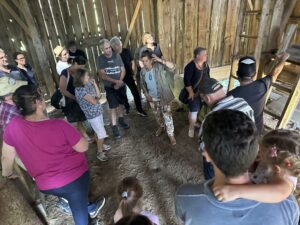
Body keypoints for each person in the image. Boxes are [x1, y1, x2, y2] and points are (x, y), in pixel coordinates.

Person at [1, 85, 105, 225]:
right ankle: (86, 212)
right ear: (37, 103)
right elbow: (83, 147)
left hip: (46, 185)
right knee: (78, 209)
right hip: (74, 179)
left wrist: (7, 173)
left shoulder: (12, 126)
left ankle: (81, 205)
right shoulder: (60, 125)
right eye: (41, 96)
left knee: (75, 198)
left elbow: (7, 157)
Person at [175, 109, 299, 225]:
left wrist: (236, 191)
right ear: (256, 152)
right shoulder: (290, 206)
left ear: (206, 155)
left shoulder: (186, 196)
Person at [213, 129, 300, 203]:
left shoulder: (286, 185)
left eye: (261, 154)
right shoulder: (274, 165)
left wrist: (236, 191)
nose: (258, 155)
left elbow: (279, 193)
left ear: (275, 168)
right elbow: (257, 168)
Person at [198, 77, 254, 180]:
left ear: (207, 98)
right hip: (244, 154)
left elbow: (203, 146)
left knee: (208, 165)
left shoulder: (210, 118)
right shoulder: (243, 103)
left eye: (202, 98)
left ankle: (211, 183)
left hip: (221, 160)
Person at [227, 52, 289, 134]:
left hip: (240, 136)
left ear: (237, 74)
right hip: (257, 131)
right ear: (255, 74)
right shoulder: (262, 86)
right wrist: (283, 59)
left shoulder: (230, 95)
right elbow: (274, 73)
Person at [140, 50, 176, 145]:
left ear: (151, 60)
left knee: (167, 116)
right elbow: (142, 84)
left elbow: (172, 67)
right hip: (153, 99)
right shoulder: (142, 72)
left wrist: (161, 60)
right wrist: (146, 95)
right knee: (157, 116)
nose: (144, 63)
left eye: (146, 61)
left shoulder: (159, 67)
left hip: (163, 97)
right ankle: (161, 126)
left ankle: (171, 134)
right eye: (143, 61)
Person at [74, 68, 111, 162]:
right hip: (92, 115)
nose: (89, 77)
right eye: (86, 76)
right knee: (102, 134)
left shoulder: (87, 85)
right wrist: (97, 98)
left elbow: (98, 95)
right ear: (81, 78)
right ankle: (100, 152)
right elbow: (95, 101)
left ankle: (101, 145)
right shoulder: (80, 90)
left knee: (97, 131)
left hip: (97, 112)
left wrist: (94, 84)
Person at [97, 39, 129, 139]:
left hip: (119, 84)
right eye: (106, 48)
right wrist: (115, 82)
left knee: (120, 104)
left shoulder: (117, 55)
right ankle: (114, 126)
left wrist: (119, 81)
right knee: (112, 106)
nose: (109, 50)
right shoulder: (100, 59)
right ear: (102, 49)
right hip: (110, 87)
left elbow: (123, 69)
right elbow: (103, 75)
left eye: (109, 47)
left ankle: (121, 119)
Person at [110, 36, 147, 117]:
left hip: (129, 75)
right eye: (113, 47)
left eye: (115, 46)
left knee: (135, 93)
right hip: (119, 78)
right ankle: (127, 108)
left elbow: (132, 61)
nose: (113, 48)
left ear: (117, 45)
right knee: (123, 94)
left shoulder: (126, 51)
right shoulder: (113, 55)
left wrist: (133, 70)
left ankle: (139, 109)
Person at [59, 56, 90, 141]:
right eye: (81, 66)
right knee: (75, 120)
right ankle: (75, 138)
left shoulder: (78, 73)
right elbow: (63, 89)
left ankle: (84, 136)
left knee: (80, 119)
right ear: (75, 63)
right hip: (70, 100)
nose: (82, 68)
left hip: (79, 99)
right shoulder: (65, 73)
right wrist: (75, 98)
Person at [184, 47, 210, 138]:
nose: (207, 56)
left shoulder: (206, 65)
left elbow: (208, 78)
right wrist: (190, 92)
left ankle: (192, 122)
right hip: (194, 93)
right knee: (194, 111)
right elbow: (186, 81)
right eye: (205, 54)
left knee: (196, 110)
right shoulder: (190, 66)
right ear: (198, 56)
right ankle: (191, 128)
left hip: (203, 92)